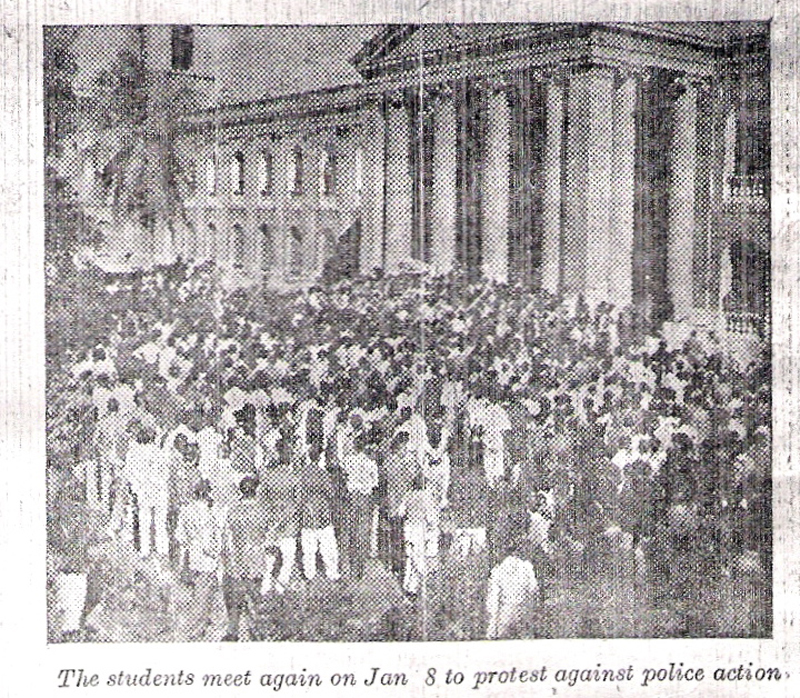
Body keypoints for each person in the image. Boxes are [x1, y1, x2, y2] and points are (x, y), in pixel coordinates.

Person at [174, 479, 224, 641]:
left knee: (202, 593)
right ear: (208, 493)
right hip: (207, 560)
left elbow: (180, 537)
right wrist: (215, 553)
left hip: (192, 558)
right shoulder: (211, 513)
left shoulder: (186, 510)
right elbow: (210, 541)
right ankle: (195, 631)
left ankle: (210, 624)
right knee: (203, 596)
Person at [221, 476, 268, 641]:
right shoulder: (262, 510)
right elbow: (267, 536)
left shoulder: (233, 510)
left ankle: (233, 630)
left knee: (235, 597)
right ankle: (255, 629)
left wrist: (228, 561)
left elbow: (226, 538)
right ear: (256, 490)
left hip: (238, 557)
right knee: (254, 595)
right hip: (255, 556)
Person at [485, 515, 540, 640]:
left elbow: (492, 603)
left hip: (506, 617)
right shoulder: (526, 567)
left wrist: (493, 628)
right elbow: (533, 593)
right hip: (522, 616)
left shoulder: (498, 571)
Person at [298, 442, 340, 582]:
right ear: (319, 457)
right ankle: (332, 572)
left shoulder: (302, 473)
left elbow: (298, 495)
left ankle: (309, 573)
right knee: (328, 545)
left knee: (308, 546)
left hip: (306, 511)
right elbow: (330, 492)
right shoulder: (323, 474)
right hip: (322, 510)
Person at [397, 473, 440, 596]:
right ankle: (422, 584)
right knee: (419, 558)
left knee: (410, 558)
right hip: (419, 530)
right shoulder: (427, 497)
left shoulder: (408, 495)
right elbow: (431, 518)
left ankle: (409, 586)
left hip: (408, 528)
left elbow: (400, 513)